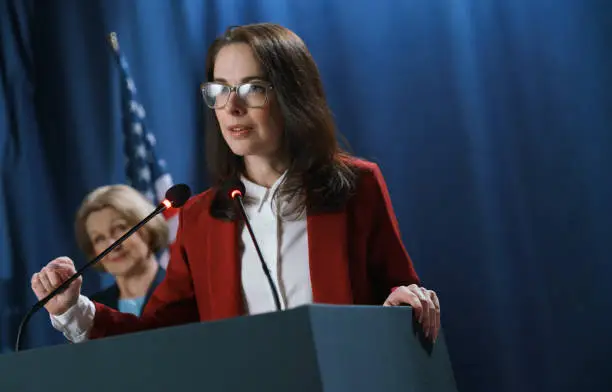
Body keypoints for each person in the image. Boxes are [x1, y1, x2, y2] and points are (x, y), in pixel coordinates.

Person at [30, 22, 441, 344]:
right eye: (221, 90)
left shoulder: (357, 185)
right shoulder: (201, 217)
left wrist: (406, 302)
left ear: (292, 94)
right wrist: (75, 310)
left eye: (253, 88)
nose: (232, 105)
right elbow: (158, 334)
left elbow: (401, 290)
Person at [75, 184, 169, 317]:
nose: (112, 245)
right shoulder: (92, 312)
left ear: (147, 228)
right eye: (99, 239)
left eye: (120, 228)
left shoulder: (186, 293)